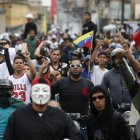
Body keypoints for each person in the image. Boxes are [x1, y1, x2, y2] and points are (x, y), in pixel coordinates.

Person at [3, 78, 83, 140]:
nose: (40, 94)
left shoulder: (61, 116)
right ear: (31, 93)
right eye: (37, 90)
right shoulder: (17, 116)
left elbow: (76, 136)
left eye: (44, 91)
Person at [101, 48, 131, 112]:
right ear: (113, 60)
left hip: (133, 109)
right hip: (115, 110)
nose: (119, 60)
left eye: (121, 58)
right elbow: (102, 92)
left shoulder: (132, 71)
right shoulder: (107, 75)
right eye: (117, 58)